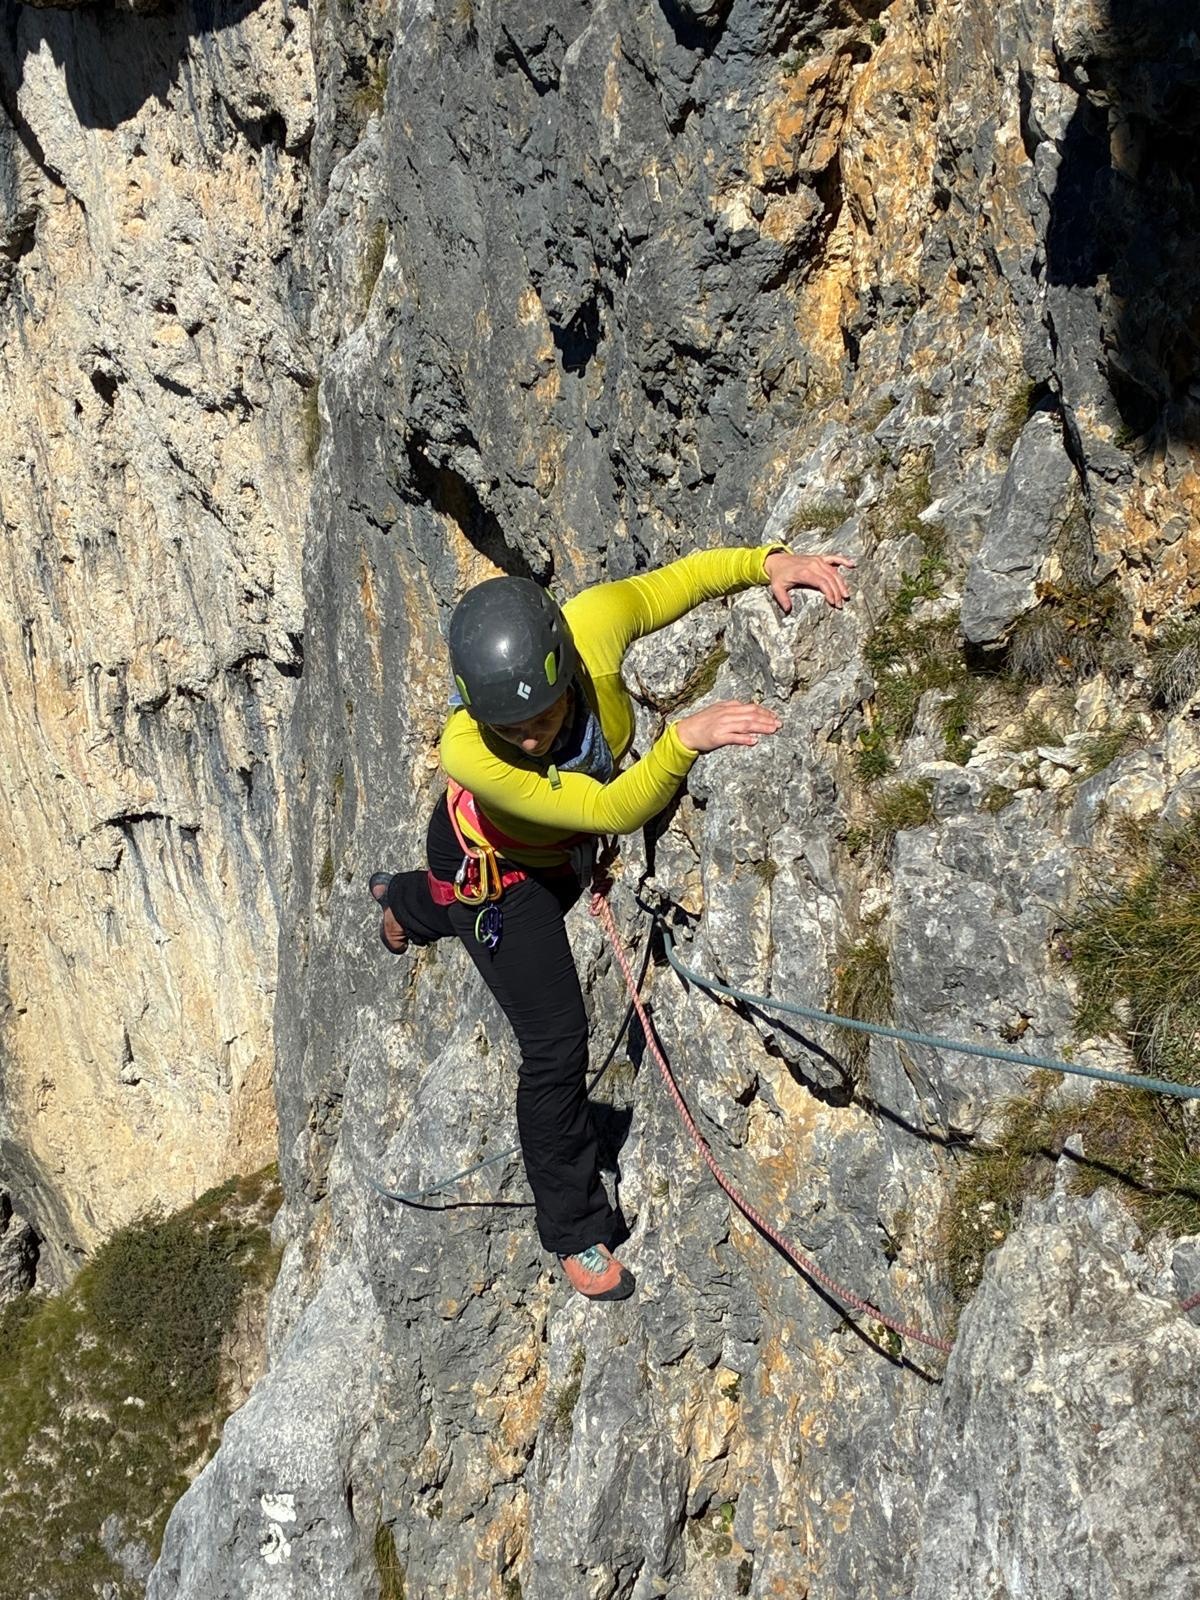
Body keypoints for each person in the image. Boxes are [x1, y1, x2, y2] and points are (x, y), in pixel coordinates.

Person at [370, 544, 854, 1302]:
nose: (530, 737)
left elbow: (679, 581)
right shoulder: (468, 750)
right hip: (500, 876)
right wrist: (680, 743)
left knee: (440, 904)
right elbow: (607, 808)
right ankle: (571, 1226)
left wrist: (768, 563)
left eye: (544, 714)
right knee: (556, 1044)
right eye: (512, 726)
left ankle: (403, 902)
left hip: (551, 849)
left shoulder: (590, 627)